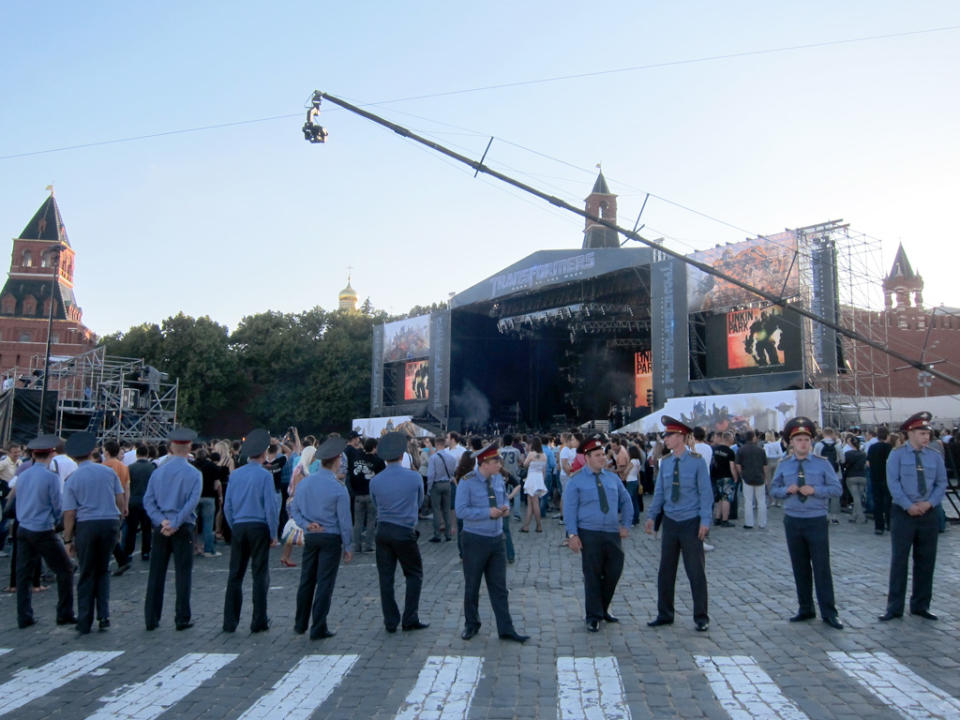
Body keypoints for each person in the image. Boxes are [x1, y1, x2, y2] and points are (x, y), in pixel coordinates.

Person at [770, 417, 844, 630]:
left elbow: (836, 489)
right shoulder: (784, 465)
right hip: (793, 520)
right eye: (798, 440)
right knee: (799, 566)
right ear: (791, 443)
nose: (802, 443)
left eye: (806, 439)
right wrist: (786, 490)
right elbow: (773, 490)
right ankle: (805, 607)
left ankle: (829, 612)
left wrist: (816, 491)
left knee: (821, 567)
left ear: (811, 442)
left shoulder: (822, 464)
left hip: (816, 520)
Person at [454, 441, 529, 643]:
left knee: (499, 587)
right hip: (474, 539)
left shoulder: (497, 479)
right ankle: (471, 624)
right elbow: (460, 511)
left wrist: (504, 507)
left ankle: (506, 628)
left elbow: (503, 498)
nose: (500, 464)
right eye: (497, 460)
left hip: (496, 540)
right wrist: (487, 513)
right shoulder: (467, 481)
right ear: (485, 462)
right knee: (472, 585)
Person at [644, 417, 713, 632]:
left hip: (691, 522)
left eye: (670, 435)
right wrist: (652, 516)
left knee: (695, 571)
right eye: (665, 435)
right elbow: (660, 493)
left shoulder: (697, 461)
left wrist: (705, 520)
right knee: (666, 571)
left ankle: (701, 616)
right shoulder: (665, 462)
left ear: (681, 437)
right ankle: (665, 613)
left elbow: (705, 493)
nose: (666, 439)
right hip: (671, 522)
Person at [879, 411, 947, 622]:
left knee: (926, 561)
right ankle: (894, 607)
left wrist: (929, 503)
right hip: (903, 513)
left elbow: (941, 483)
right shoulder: (897, 455)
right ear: (910, 433)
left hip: (928, 513)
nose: (926, 437)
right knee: (900, 561)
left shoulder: (934, 457)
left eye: (927, 433)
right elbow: (893, 484)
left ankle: (921, 605)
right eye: (921, 433)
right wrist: (908, 505)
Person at [563, 436, 632, 632]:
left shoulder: (612, 478)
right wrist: (572, 535)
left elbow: (626, 501)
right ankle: (594, 615)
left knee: (614, 571)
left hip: (611, 532)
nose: (603, 458)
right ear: (587, 458)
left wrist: (626, 524)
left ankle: (602, 607)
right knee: (592, 574)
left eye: (603, 454)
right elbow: (569, 510)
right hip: (589, 532)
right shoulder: (576, 481)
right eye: (598, 455)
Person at [289, 436, 353, 639]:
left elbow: (294, 509)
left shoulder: (306, 484)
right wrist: (348, 546)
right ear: (335, 461)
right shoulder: (338, 488)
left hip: (311, 535)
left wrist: (306, 524)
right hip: (331, 537)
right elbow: (345, 521)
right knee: (325, 583)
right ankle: (318, 626)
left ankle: (300, 623)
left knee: (306, 580)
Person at [61, 431, 124, 634]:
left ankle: (85, 619)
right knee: (103, 570)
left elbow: (69, 513)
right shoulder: (108, 472)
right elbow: (120, 500)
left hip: (87, 524)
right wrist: (119, 524)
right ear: (92, 452)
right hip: (109, 522)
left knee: (87, 572)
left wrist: (68, 538)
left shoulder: (72, 478)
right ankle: (104, 615)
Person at [143, 428, 202, 631]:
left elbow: (148, 500)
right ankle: (182, 617)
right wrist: (176, 522)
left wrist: (162, 521)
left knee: (156, 573)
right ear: (189, 448)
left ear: (171, 447)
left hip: (161, 527)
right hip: (183, 526)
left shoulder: (157, 472)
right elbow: (191, 503)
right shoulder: (194, 474)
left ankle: (151, 617)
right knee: (183, 574)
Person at [14, 434, 75, 629]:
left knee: (23, 575)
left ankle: (24, 616)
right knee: (65, 569)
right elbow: (57, 506)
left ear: (32, 454)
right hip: (42, 529)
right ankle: (64, 612)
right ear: (50, 454)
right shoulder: (50, 477)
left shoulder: (22, 476)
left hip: (23, 527)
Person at [370, 432, 428, 633]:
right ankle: (410, 617)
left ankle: (390, 620)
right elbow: (420, 501)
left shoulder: (375, 480)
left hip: (383, 530)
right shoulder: (414, 477)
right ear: (403, 456)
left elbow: (375, 503)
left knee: (386, 578)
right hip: (405, 530)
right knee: (414, 574)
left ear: (385, 458)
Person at [222, 429, 279, 633]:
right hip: (258, 526)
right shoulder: (264, 476)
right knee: (259, 574)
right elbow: (270, 508)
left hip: (239, 525)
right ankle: (259, 620)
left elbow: (227, 505)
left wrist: (234, 525)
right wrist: (273, 533)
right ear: (264, 454)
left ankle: (230, 621)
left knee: (235, 575)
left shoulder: (235, 475)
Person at [124, 445, 155, 561]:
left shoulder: (130, 468)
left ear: (137, 454)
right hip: (147, 502)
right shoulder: (152, 468)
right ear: (147, 454)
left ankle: (128, 552)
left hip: (133, 500)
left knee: (131, 529)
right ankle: (146, 551)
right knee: (146, 528)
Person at [736, 431, 767, 529]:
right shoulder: (761, 450)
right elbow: (765, 465)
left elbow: (738, 464)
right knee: (761, 501)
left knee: (748, 501)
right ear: (753, 438)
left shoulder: (741, 450)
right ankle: (762, 523)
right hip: (759, 477)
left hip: (746, 477)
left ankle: (749, 523)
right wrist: (765, 476)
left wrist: (741, 474)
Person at [426, 438, 455, 542]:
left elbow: (431, 475)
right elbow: (452, 473)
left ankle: (437, 535)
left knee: (437, 510)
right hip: (447, 484)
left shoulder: (433, 458)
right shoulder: (451, 458)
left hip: (436, 485)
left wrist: (429, 489)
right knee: (447, 510)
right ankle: (448, 535)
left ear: (436, 444)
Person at [867, 427, 893, 536]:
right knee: (888, 502)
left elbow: (868, 462)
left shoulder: (872, 447)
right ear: (887, 436)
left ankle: (879, 526)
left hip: (875, 477)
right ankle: (889, 523)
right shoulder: (890, 448)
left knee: (878, 502)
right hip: (887, 478)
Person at [520, 437, 548, 533]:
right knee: (531, 503)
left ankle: (539, 525)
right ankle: (526, 525)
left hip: (532, 478)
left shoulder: (531, 454)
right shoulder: (544, 455)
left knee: (534, 503)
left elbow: (525, 464)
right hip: (539, 478)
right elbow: (544, 470)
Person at [843, 435, 868, 524]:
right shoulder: (863, 453)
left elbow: (843, 464)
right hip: (862, 476)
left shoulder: (848, 454)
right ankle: (854, 516)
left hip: (851, 476)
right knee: (858, 497)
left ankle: (861, 517)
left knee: (856, 497)